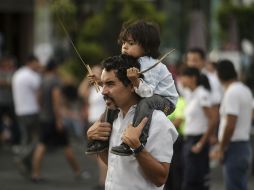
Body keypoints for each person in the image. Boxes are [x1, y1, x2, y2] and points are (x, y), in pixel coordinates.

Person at [86, 19, 178, 156]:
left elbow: (147, 93)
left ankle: (134, 140)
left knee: (145, 103)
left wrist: (135, 81)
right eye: (124, 42)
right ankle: (103, 140)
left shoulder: (150, 65)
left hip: (165, 101)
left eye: (131, 43)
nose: (125, 47)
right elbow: (120, 82)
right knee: (112, 103)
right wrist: (101, 81)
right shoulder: (131, 62)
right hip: (147, 95)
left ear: (146, 47)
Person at [87, 54, 178, 190]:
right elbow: (114, 165)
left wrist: (137, 148)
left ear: (131, 85)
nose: (103, 91)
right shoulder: (113, 118)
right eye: (103, 83)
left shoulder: (158, 121)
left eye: (110, 84)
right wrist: (94, 139)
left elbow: (160, 178)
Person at [31, 59, 82, 182]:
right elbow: (56, 102)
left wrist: (42, 109)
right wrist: (59, 119)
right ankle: (78, 172)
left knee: (41, 145)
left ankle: (35, 174)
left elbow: (38, 97)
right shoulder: (54, 81)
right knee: (66, 145)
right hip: (54, 119)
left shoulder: (43, 80)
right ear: (54, 68)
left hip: (44, 117)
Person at [211, 59, 253, 190]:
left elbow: (230, 124)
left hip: (234, 147)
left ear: (219, 75)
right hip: (243, 145)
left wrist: (221, 148)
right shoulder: (244, 90)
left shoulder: (232, 93)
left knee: (234, 186)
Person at [180, 67, 216, 190]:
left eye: (184, 77)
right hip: (190, 140)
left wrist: (202, 142)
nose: (181, 80)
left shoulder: (202, 94)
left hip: (197, 140)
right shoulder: (191, 94)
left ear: (193, 78)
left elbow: (212, 119)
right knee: (191, 180)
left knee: (193, 182)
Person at [12, 55, 41, 176]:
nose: (38, 65)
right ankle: (22, 158)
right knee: (38, 140)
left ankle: (27, 167)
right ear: (31, 62)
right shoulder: (32, 76)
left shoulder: (17, 74)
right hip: (31, 110)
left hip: (20, 111)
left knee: (26, 138)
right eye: (36, 63)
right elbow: (39, 92)